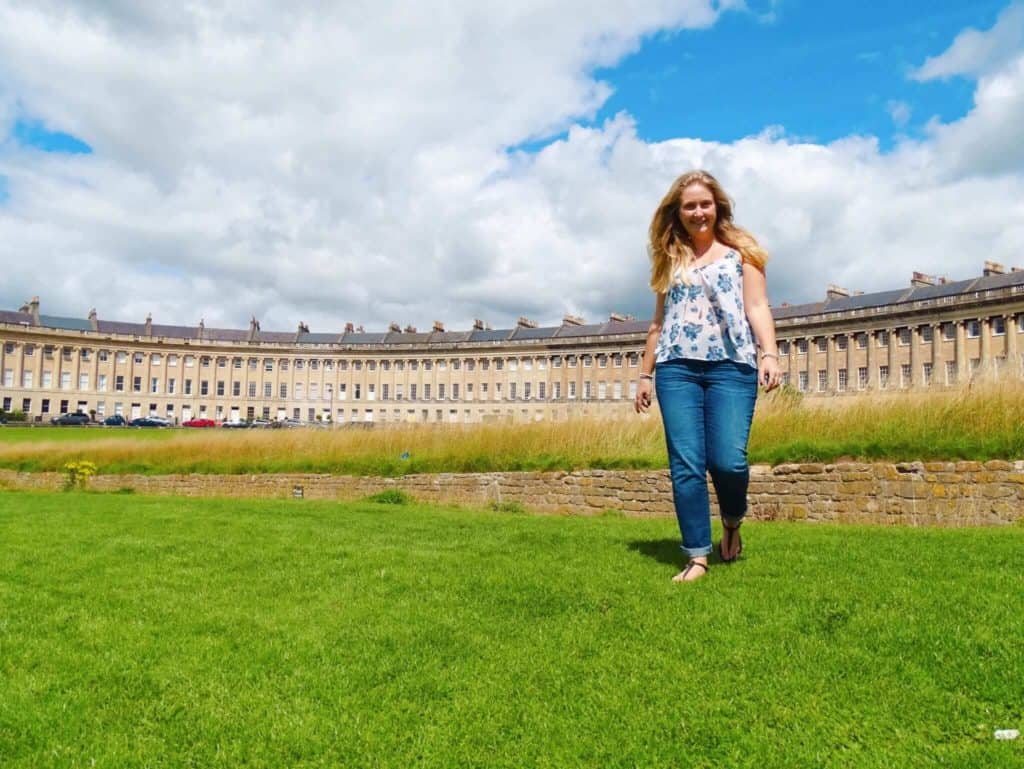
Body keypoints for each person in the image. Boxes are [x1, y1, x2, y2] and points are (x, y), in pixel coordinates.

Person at [634, 170, 781, 583]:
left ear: (717, 207)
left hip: (732, 367)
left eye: (705, 204)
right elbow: (658, 324)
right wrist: (645, 376)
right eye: (689, 206)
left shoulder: (743, 253)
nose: (698, 212)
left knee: (729, 461)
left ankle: (732, 519)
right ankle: (697, 555)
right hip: (676, 368)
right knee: (686, 464)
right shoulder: (670, 257)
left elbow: (757, 306)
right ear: (677, 213)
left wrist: (768, 352)